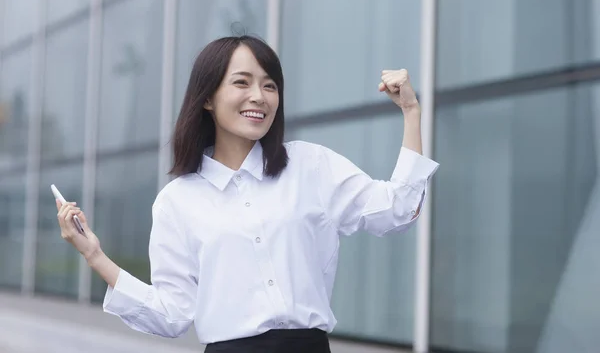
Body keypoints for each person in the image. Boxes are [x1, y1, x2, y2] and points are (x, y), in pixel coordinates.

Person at [55, 35, 439, 353]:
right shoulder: (178, 201)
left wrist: (411, 112)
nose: (259, 95)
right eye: (242, 82)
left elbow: (398, 211)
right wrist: (94, 256)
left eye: (269, 85)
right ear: (207, 97)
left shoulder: (310, 165)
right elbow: (172, 316)